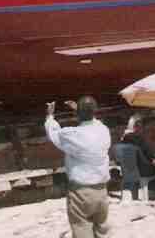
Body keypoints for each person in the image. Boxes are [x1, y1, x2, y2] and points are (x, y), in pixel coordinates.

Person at [45, 96, 111, 238]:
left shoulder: (72, 135)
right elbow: (95, 123)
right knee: (102, 231)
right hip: (102, 191)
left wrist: (50, 116)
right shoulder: (104, 131)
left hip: (81, 192)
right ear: (95, 112)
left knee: (81, 229)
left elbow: (53, 133)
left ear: (77, 114)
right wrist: (81, 111)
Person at [119, 115, 155, 199]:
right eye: (139, 126)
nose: (142, 129)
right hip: (143, 170)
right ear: (134, 127)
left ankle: (138, 195)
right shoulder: (139, 139)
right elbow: (148, 152)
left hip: (129, 170)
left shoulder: (124, 140)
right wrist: (154, 160)